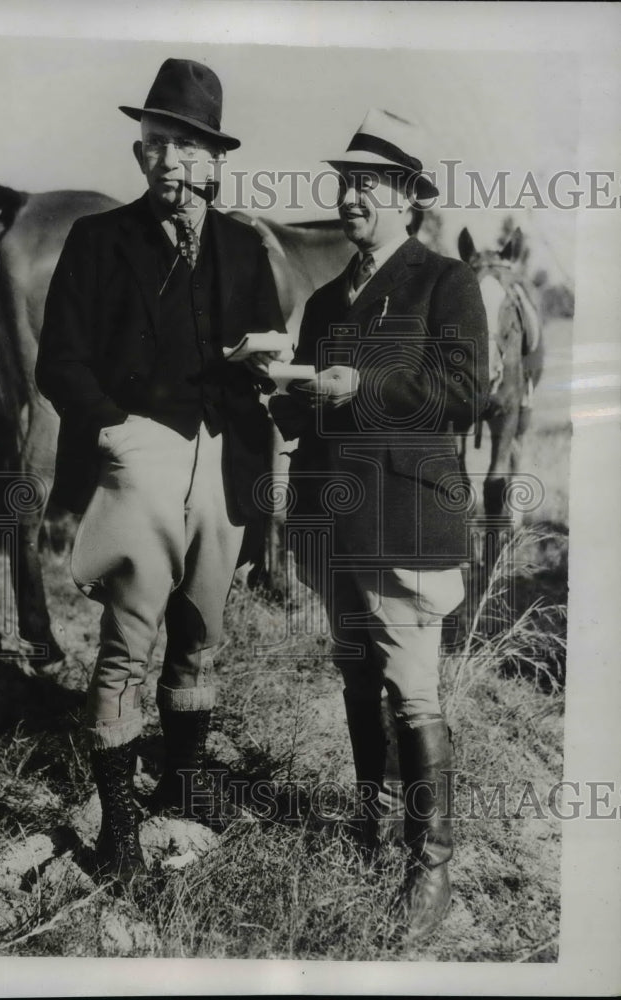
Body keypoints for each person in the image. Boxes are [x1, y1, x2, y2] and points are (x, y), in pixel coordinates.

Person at [35, 58, 284, 885]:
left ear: (216, 160)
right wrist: (115, 431)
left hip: (223, 457)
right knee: (125, 647)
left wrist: (265, 369)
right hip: (138, 454)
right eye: (156, 145)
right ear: (138, 153)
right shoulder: (98, 241)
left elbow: (272, 354)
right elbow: (59, 363)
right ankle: (116, 831)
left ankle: (180, 783)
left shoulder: (248, 248)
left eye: (187, 148)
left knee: (202, 638)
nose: (170, 162)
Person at [271, 109, 489, 943]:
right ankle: (369, 825)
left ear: (407, 197)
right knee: (359, 679)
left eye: (367, 183)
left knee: (413, 691)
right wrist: (283, 390)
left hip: (408, 518)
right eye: (345, 181)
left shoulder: (446, 283)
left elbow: (462, 392)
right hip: (336, 522)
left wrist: (350, 386)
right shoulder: (327, 298)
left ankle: (429, 867)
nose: (350, 194)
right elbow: (314, 411)